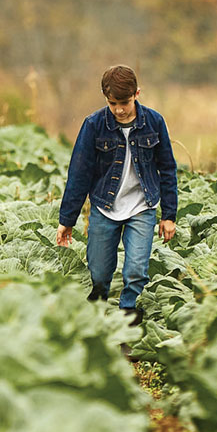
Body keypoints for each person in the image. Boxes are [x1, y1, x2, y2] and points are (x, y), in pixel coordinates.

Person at [55, 65, 179, 325]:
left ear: (137, 93)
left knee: (135, 270)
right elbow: (79, 174)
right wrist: (67, 220)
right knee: (99, 274)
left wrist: (169, 215)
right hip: (104, 206)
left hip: (142, 206)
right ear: (105, 98)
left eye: (124, 102)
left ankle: (127, 323)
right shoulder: (93, 125)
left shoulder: (154, 122)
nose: (119, 109)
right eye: (113, 103)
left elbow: (167, 168)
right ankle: (96, 320)